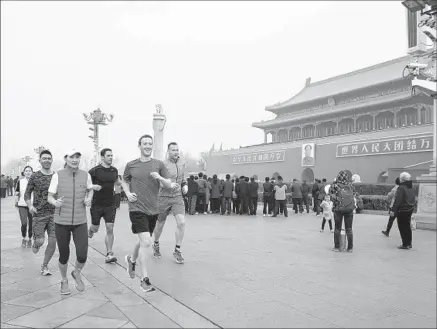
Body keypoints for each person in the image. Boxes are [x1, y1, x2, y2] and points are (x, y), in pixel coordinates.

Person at [122, 134, 177, 292]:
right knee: (146, 242)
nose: (147, 146)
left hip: (153, 209)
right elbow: (124, 180)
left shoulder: (158, 164)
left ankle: (131, 261)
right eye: (144, 143)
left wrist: (160, 177)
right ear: (139, 146)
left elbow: (168, 184)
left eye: (149, 144)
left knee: (143, 240)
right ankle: (144, 279)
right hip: (136, 208)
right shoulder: (131, 165)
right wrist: (127, 193)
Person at [48, 150, 94, 295]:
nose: (74, 160)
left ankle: (77, 272)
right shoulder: (58, 175)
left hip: (80, 221)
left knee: (82, 254)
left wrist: (89, 198)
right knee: (64, 254)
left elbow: (90, 190)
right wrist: (55, 202)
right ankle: (64, 280)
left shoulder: (86, 175)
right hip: (61, 221)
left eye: (77, 157)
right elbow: (49, 196)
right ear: (65, 158)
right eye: (71, 157)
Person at [24, 150, 57, 275]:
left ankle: (44, 266)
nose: (47, 160)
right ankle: (36, 243)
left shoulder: (56, 176)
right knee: (40, 241)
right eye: (44, 158)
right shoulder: (34, 176)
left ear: (52, 160)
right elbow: (27, 194)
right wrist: (30, 206)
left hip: (54, 214)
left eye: (49, 158)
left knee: (53, 242)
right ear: (40, 161)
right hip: (39, 214)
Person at [153, 142, 187, 264]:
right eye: (173, 150)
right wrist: (168, 184)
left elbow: (183, 177)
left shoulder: (182, 162)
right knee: (160, 224)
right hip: (163, 197)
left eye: (177, 150)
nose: (176, 152)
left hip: (177, 197)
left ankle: (177, 250)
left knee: (182, 222)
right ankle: (156, 243)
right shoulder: (162, 164)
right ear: (168, 151)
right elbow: (159, 181)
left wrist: (185, 185)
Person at [88, 148, 119, 264]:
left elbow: (117, 183)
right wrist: (92, 187)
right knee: (95, 228)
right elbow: (86, 185)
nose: (111, 157)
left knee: (110, 227)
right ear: (102, 157)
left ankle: (109, 254)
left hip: (110, 205)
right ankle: (90, 230)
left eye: (112, 155)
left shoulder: (114, 171)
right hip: (96, 205)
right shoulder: (94, 171)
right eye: (108, 156)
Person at [329, 171, 355, 252]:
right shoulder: (350, 186)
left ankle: (337, 247)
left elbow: (331, 197)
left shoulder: (335, 185)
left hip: (338, 209)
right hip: (349, 209)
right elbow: (354, 195)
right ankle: (350, 248)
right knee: (349, 229)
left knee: (337, 228)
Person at [391, 172, 415, 249]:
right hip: (410, 208)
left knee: (402, 227)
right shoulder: (411, 187)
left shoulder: (401, 188)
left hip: (402, 210)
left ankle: (405, 244)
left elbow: (398, 201)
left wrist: (393, 210)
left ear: (402, 179)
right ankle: (409, 243)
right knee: (407, 226)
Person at [15, 166, 34, 248]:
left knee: (31, 223)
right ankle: (24, 237)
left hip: (32, 206)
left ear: (32, 172)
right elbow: (17, 192)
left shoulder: (35, 182)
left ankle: (30, 238)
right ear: (24, 172)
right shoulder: (20, 181)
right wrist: (16, 202)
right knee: (24, 223)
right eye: (26, 171)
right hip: (22, 205)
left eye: (30, 171)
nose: (28, 172)